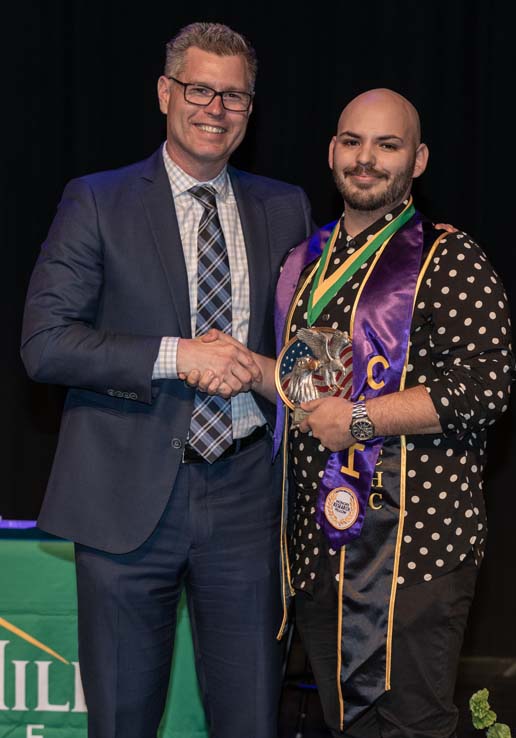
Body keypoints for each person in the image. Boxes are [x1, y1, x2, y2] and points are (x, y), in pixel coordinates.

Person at [20, 22, 312, 738]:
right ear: (164, 93)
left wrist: (281, 375)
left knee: (251, 722)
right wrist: (177, 356)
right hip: (125, 501)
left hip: (247, 502)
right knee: (121, 721)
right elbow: (44, 343)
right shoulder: (97, 200)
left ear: (251, 109)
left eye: (234, 96)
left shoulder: (287, 207)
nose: (215, 108)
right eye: (199, 89)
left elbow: (307, 360)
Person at [234, 88, 513, 738]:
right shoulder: (307, 261)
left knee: (410, 727)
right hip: (322, 551)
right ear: (332, 152)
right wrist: (253, 370)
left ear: (417, 160)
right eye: (353, 142)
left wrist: (362, 420)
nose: (367, 159)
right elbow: (314, 392)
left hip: (414, 557)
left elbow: (485, 387)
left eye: (387, 145)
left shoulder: (448, 260)